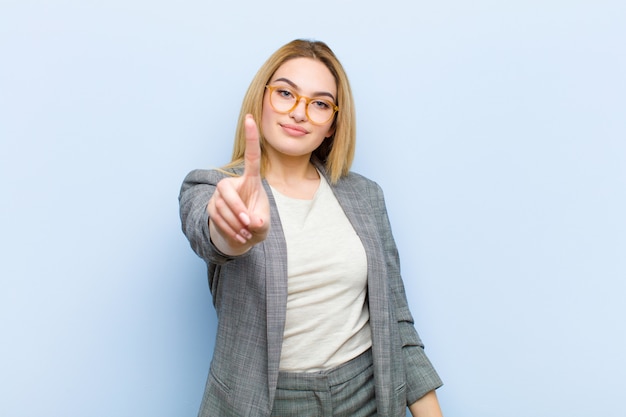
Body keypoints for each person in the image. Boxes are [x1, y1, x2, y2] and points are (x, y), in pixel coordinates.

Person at [179, 39, 443, 417]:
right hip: (268, 402)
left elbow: (396, 324)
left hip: (366, 394)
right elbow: (210, 234)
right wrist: (234, 233)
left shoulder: (366, 196)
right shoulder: (211, 188)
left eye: (320, 103)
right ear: (262, 100)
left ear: (333, 124)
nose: (300, 113)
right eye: (285, 93)